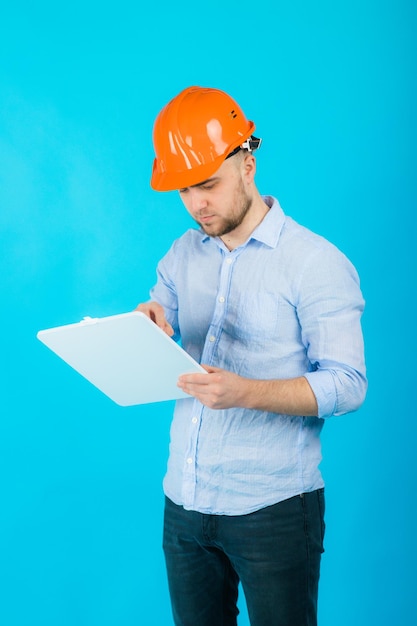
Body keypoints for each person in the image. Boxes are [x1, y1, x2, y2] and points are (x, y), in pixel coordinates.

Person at [136, 86, 367, 626]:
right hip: (185, 503)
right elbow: (160, 311)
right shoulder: (182, 252)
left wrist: (246, 391)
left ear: (247, 163)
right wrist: (149, 320)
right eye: (185, 190)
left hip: (275, 510)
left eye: (209, 184)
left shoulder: (316, 263)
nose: (198, 204)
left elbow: (349, 384)